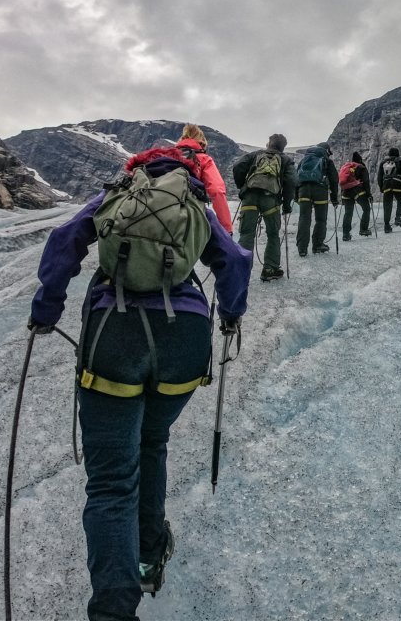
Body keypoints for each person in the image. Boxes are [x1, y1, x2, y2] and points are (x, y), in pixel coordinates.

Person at [28, 145, 252, 621]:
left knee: (111, 483)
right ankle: (149, 555)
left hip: (114, 336)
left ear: (139, 169)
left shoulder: (117, 195)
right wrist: (230, 316)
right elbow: (234, 260)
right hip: (184, 341)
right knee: (153, 441)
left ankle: (113, 610)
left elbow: (65, 239)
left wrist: (45, 311)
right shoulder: (194, 205)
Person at [232, 134, 296, 282]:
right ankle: (270, 269)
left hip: (250, 196)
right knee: (273, 234)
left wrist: (242, 187)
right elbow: (292, 181)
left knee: (247, 233)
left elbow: (237, 166)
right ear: (283, 147)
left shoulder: (255, 155)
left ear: (269, 144)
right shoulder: (285, 160)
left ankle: (241, 271)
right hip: (271, 199)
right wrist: (286, 204)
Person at [175, 123, 232, 234]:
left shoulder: (166, 156)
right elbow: (217, 192)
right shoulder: (204, 159)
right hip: (189, 212)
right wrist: (227, 230)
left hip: (160, 209)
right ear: (201, 142)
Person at [295, 142, 339, 256]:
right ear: (327, 151)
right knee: (320, 219)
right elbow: (334, 180)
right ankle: (318, 245)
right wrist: (334, 198)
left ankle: (302, 248)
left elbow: (296, 178)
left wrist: (296, 196)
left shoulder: (304, 160)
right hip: (320, 190)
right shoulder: (327, 161)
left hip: (303, 190)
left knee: (304, 218)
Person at [338, 151, 372, 241]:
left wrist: (342, 195)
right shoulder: (361, 167)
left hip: (345, 192)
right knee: (366, 209)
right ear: (360, 160)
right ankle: (363, 229)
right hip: (358, 191)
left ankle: (345, 234)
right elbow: (366, 182)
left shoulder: (346, 167)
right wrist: (369, 195)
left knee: (348, 213)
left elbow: (343, 181)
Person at [377, 147, 401, 233]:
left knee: (387, 205)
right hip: (397, 183)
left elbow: (379, 176)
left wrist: (381, 187)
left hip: (386, 184)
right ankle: (398, 218)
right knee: (400, 201)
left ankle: (387, 226)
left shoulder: (383, 162)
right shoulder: (400, 160)